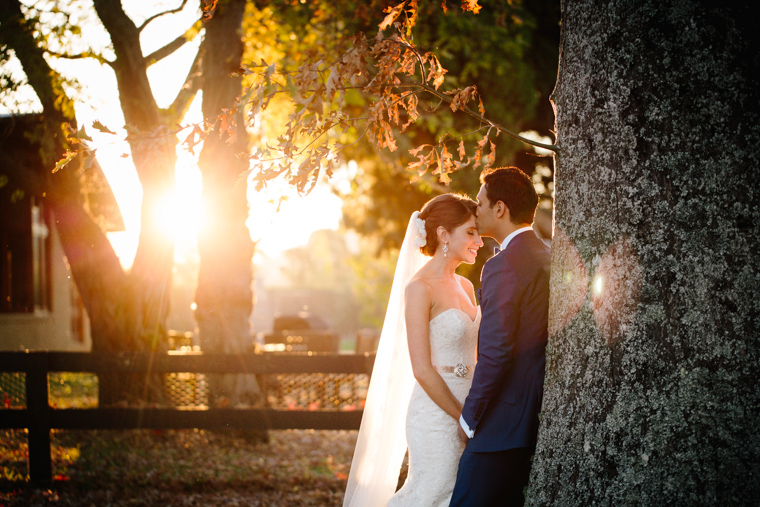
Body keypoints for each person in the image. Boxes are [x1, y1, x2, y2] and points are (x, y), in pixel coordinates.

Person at [344, 193, 484, 507]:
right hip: (436, 413)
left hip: (473, 407)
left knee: (464, 496)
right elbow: (421, 369)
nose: (479, 241)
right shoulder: (419, 288)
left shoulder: (464, 286)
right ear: (444, 235)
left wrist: (475, 411)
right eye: (471, 232)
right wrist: (462, 417)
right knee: (433, 494)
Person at [449, 167, 551, 506]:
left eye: (480, 203)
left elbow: (497, 351)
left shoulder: (503, 265)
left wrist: (468, 419)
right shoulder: (546, 255)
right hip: (533, 421)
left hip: (500, 428)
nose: (475, 210)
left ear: (500, 208)